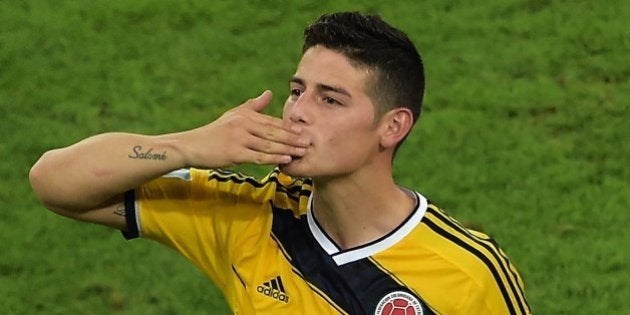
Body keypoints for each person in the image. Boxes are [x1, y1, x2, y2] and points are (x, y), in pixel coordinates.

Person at [29, 11, 531, 315]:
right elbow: (55, 182)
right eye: (297, 90)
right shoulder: (244, 216)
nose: (298, 112)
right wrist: (188, 146)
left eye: (330, 100)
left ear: (392, 127)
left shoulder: (469, 274)